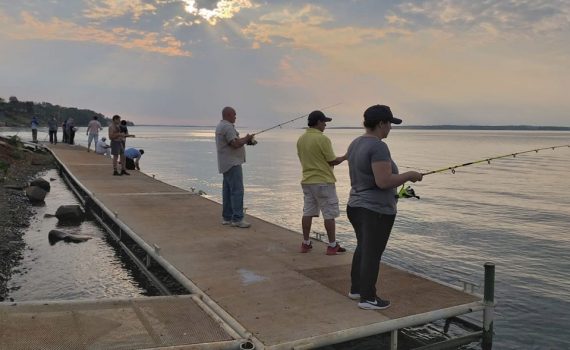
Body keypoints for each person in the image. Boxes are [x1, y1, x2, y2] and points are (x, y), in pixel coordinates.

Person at [345, 104, 423, 310]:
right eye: (389, 124)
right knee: (372, 253)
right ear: (381, 124)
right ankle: (368, 298)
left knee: (363, 248)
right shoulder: (378, 146)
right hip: (374, 211)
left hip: (355, 205)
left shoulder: (355, 143)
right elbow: (384, 181)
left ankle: (356, 289)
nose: (391, 128)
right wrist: (410, 175)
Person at [296, 110, 347, 255]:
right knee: (329, 214)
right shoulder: (323, 139)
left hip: (307, 181)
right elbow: (332, 160)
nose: (325, 125)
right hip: (324, 182)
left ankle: (305, 243)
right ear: (318, 122)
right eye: (324, 122)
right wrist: (346, 156)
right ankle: (332, 246)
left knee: (307, 212)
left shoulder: (301, 139)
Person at [215, 106, 254, 228]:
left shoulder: (220, 126)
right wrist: (247, 138)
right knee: (237, 191)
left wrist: (245, 141)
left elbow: (234, 141)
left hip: (225, 164)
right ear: (228, 115)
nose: (235, 117)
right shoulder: (228, 127)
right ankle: (237, 219)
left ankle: (227, 217)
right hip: (233, 164)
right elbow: (235, 143)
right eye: (234, 115)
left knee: (227, 191)